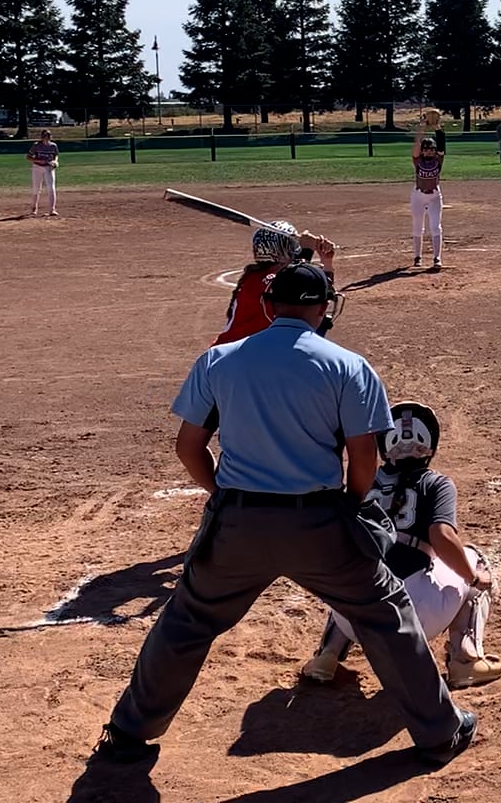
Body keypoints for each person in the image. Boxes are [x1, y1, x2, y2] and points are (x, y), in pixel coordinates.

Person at [88, 262, 478, 770]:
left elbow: (188, 447)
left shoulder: (219, 360)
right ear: (324, 309)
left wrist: (223, 494)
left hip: (237, 523)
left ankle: (127, 734)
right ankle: (440, 733)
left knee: (187, 620)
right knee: (385, 614)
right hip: (318, 522)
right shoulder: (348, 365)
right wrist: (351, 504)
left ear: (270, 306)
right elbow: (364, 456)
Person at [300, 402, 501, 690]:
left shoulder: (363, 482)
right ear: (430, 446)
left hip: (354, 618)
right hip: (415, 617)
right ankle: (465, 660)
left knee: (355, 568)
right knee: (473, 559)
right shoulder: (436, 483)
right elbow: (441, 536)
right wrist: (473, 577)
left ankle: (327, 656)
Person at [214, 222, 336, 347]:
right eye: (293, 245)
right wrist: (306, 251)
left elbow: (320, 294)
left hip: (252, 350)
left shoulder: (260, 277)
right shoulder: (265, 280)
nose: (296, 250)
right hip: (235, 354)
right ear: (284, 250)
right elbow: (298, 285)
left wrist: (326, 262)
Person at [412, 123, 445, 268]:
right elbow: (416, 145)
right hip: (418, 196)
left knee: (435, 226)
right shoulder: (417, 160)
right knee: (417, 226)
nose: (429, 152)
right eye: (426, 150)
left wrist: (437, 128)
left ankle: (437, 258)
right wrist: (421, 129)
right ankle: (417, 257)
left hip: (434, 196)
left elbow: (442, 143)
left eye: (432, 149)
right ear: (422, 151)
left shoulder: (438, 159)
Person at [27, 129, 59, 217]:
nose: (47, 137)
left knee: (51, 188)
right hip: (37, 167)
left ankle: (52, 209)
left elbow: (55, 155)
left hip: (49, 168)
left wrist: (55, 161)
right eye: (45, 136)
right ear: (42, 137)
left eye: (48, 135)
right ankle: (34, 208)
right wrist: (38, 161)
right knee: (36, 188)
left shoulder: (53, 146)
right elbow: (28, 157)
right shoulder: (36, 145)